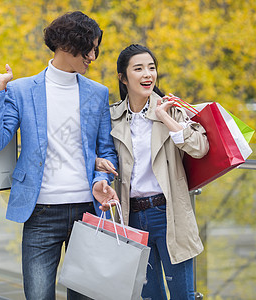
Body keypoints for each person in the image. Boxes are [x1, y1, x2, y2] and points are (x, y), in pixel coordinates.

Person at [0, 11, 118, 300]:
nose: (93, 56)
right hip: (40, 210)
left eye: (96, 49)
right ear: (67, 45)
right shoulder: (20, 90)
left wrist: (102, 178)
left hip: (88, 210)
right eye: (89, 48)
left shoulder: (97, 92)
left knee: (86, 296)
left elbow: (105, 151)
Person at [96, 44, 209, 299]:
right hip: (131, 217)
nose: (148, 74)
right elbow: (98, 154)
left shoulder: (172, 109)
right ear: (123, 78)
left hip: (169, 215)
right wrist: (96, 163)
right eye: (139, 69)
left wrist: (165, 118)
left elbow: (200, 147)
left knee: (183, 295)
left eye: (152, 68)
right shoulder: (112, 116)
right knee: (149, 296)